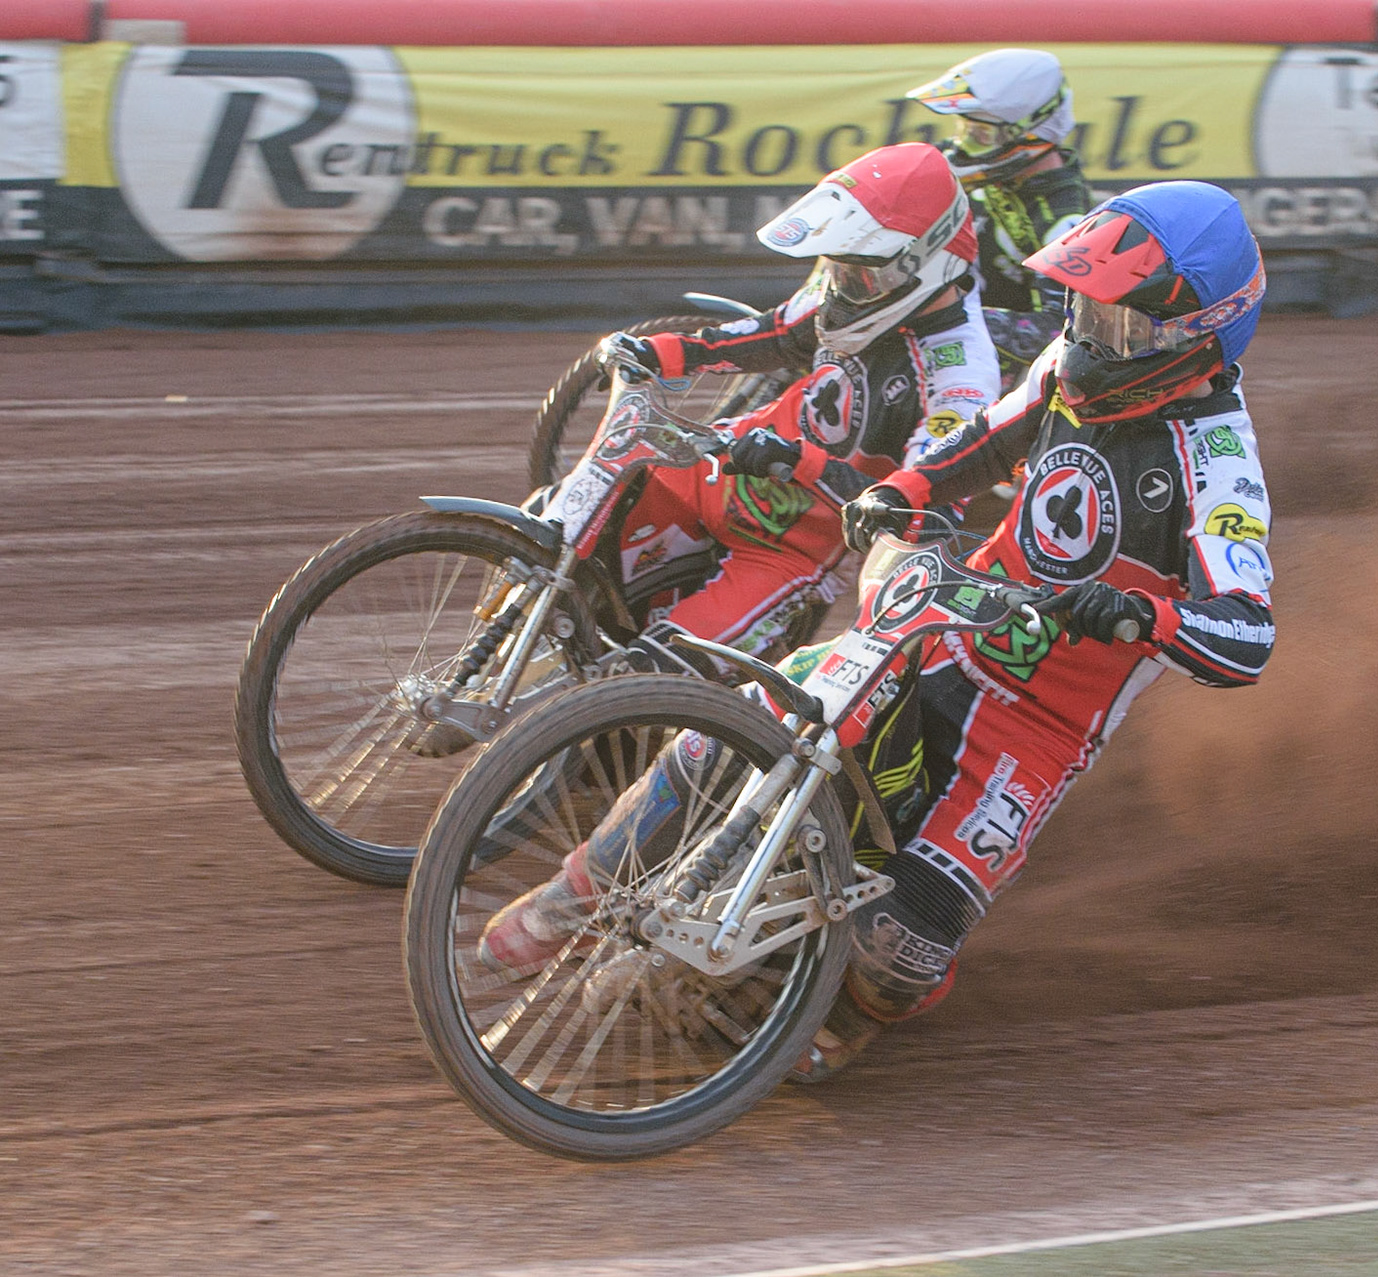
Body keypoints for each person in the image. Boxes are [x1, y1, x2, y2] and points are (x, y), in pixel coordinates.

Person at [480, 181, 1276, 1084]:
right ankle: (567, 898)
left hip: (1037, 726)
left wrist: (1143, 613)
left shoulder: (1216, 463)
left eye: (1119, 324)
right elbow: (978, 443)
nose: (1091, 335)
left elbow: (1246, 635)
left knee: (902, 946)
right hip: (941, 620)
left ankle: (847, 1014)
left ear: (1193, 334)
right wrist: (900, 494)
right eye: (1082, 306)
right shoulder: (1063, 367)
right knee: (733, 735)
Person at [591, 141, 1001, 657]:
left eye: (861, 275)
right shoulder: (854, 287)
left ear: (924, 261)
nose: (844, 285)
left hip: (791, 551)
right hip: (719, 467)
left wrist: (798, 461)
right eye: (839, 269)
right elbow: (775, 333)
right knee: (573, 542)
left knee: (655, 666)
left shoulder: (960, 378)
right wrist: (663, 352)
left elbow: (916, 510)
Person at [905, 48, 1091, 373]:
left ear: (1028, 132)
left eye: (981, 135)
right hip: (929, 319)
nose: (963, 145)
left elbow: (1061, 330)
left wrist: (929, 315)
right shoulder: (970, 166)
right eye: (964, 129)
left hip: (986, 372)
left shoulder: (1064, 223)